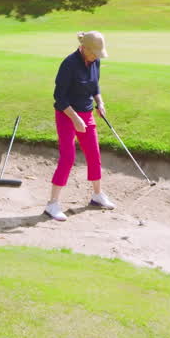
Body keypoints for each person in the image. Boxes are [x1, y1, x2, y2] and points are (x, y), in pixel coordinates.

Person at [45, 31, 115, 221]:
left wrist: (100, 103)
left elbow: (95, 87)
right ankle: (52, 204)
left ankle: (97, 195)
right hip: (67, 115)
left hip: (87, 114)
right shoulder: (69, 64)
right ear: (83, 48)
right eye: (94, 53)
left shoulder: (95, 62)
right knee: (67, 158)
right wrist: (75, 118)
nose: (96, 57)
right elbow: (59, 98)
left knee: (94, 154)